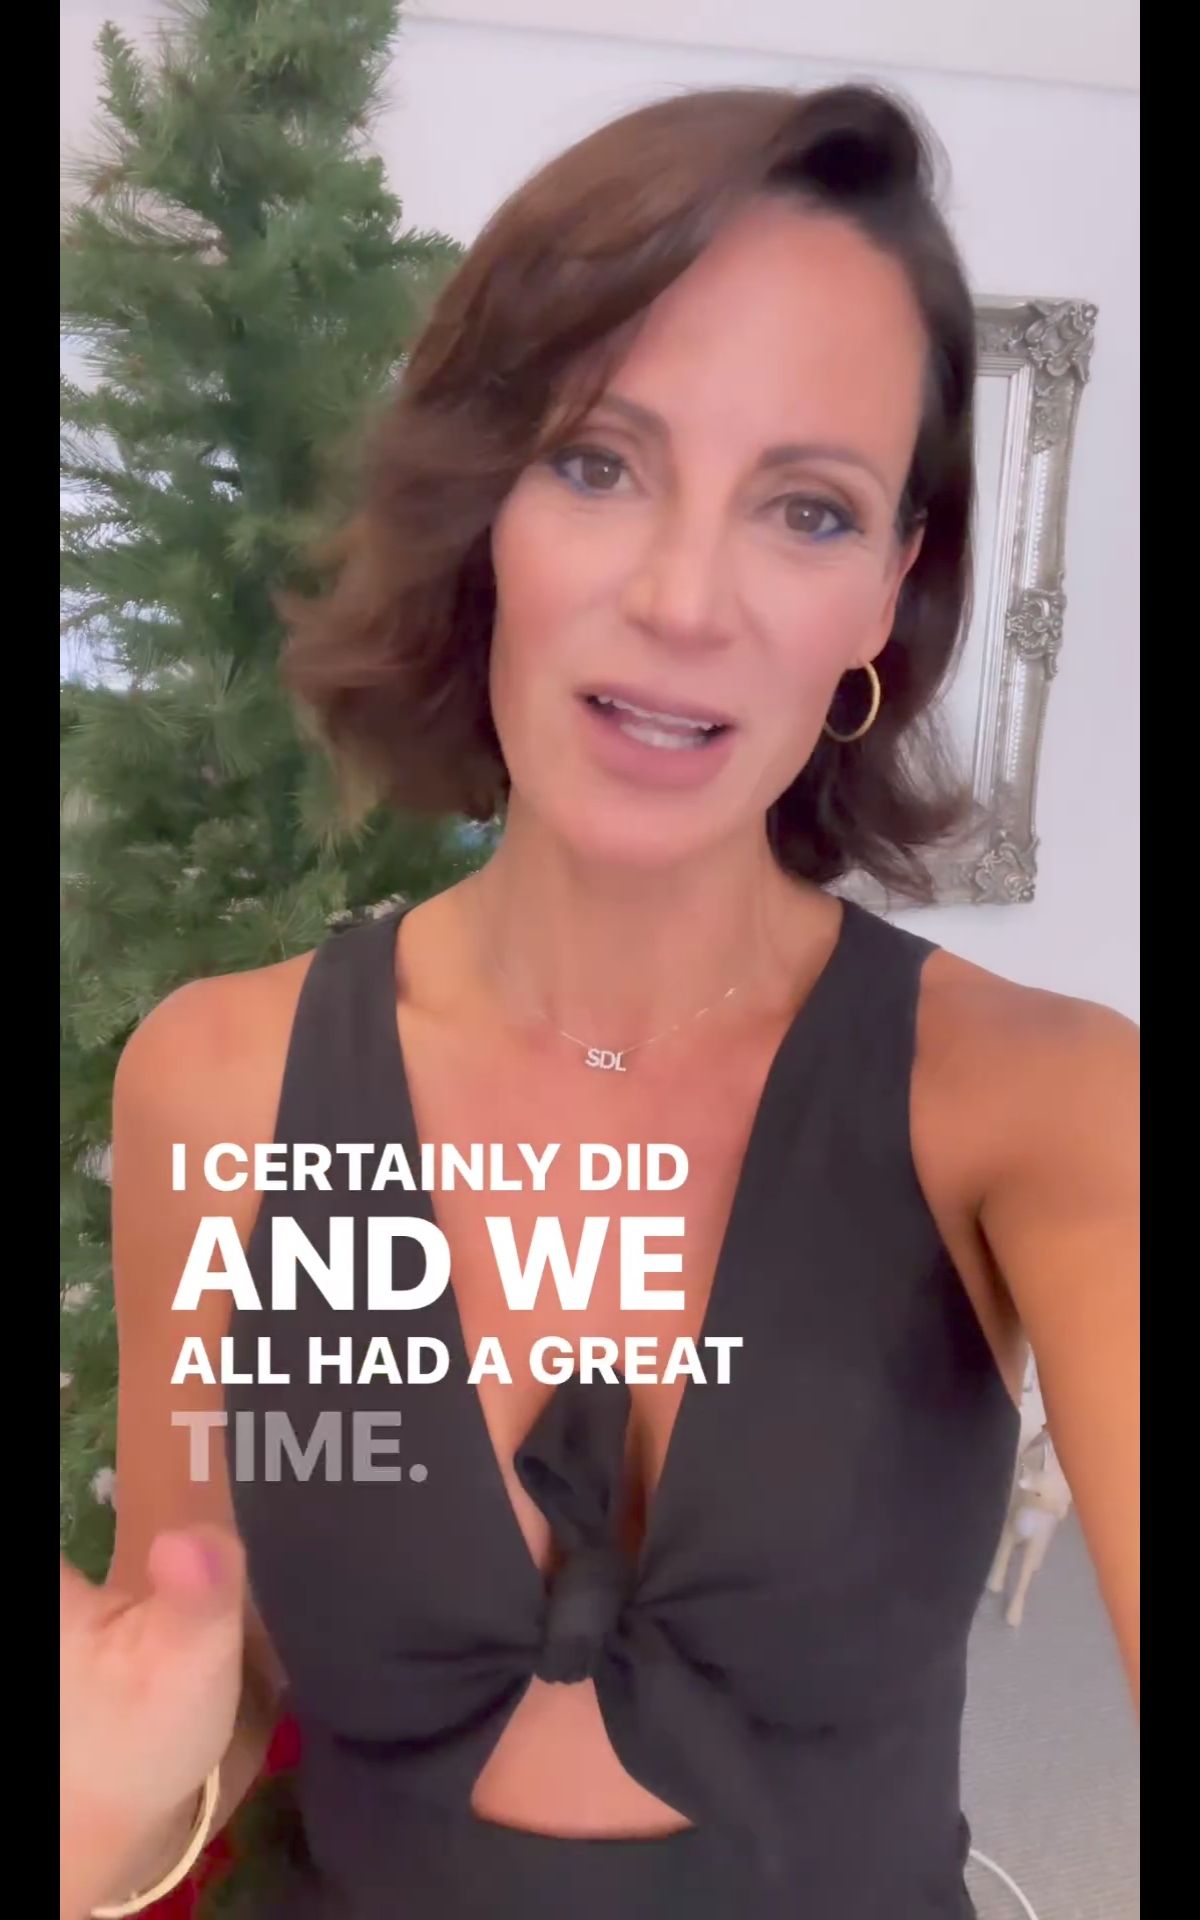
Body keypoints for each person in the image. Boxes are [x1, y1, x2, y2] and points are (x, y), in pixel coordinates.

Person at [60, 81, 1138, 1920]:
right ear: (482, 504)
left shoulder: (1038, 1104)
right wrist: (107, 1820)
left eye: (807, 508)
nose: (684, 598)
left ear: (887, 593)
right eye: (596, 463)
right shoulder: (220, 1084)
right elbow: (201, 1665)